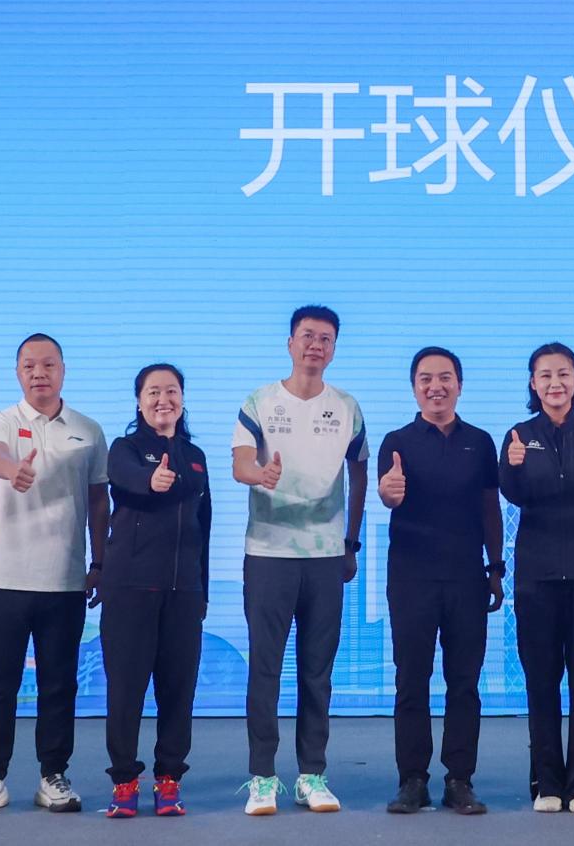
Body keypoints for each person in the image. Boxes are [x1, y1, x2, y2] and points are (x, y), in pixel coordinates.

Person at [0, 333, 109, 815]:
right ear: (18, 373)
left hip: (64, 580)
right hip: (2, 579)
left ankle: (53, 775)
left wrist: (99, 562)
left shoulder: (88, 430)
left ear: (63, 370)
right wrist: (12, 471)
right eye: (29, 366)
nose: (39, 373)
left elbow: (99, 500)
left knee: (59, 685)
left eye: (48, 364)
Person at [233, 305, 368, 815]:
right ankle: (262, 777)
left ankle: (312, 775)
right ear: (290, 343)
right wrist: (260, 475)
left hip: (326, 557)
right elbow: (240, 463)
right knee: (265, 669)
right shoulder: (259, 401)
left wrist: (351, 542)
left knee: (317, 672)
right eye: (307, 336)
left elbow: (359, 472)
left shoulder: (347, 407)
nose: (316, 345)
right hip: (268, 554)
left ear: (333, 349)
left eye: (325, 339)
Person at [499, 342, 574, 814]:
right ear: (533, 384)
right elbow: (513, 496)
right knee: (542, 681)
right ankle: (547, 783)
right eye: (546, 375)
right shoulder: (518, 436)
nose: (555, 383)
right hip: (536, 576)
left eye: (564, 373)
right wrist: (511, 466)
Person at [377, 347, 503, 815]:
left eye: (445, 377)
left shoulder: (480, 442)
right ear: (414, 388)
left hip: (467, 578)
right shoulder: (397, 442)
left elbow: (490, 507)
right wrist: (388, 493)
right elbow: (389, 495)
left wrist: (496, 567)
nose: (436, 386)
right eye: (426, 379)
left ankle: (459, 780)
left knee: (464, 683)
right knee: (411, 680)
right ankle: (412, 780)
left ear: (459, 385)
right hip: (411, 578)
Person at [99, 363, 211, 818]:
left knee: (178, 690)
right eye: (153, 392)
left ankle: (169, 779)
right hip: (130, 588)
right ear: (139, 401)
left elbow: (204, 527)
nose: (163, 399)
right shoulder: (124, 449)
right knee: (126, 690)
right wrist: (152, 480)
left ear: (182, 399)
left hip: (184, 592)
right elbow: (126, 478)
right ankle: (124, 781)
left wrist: (202, 589)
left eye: (172, 391)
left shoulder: (196, 455)